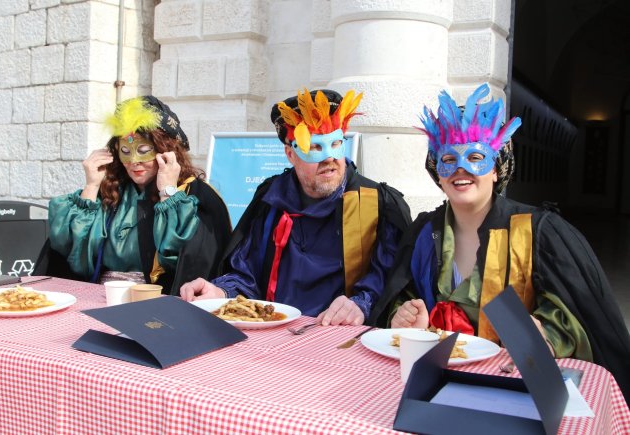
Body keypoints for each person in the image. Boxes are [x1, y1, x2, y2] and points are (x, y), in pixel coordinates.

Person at [369, 83, 630, 403]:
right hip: (436, 385)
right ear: (438, 173)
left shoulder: (538, 232)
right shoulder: (425, 233)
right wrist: (404, 316)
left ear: (496, 169)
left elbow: (577, 316)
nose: (461, 168)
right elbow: (402, 295)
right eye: (449, 158)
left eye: (476, 157)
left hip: (510, 388)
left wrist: (546, 333)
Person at [180, 89, 412, 325]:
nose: (329, 158)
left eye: (335, 143)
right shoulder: (271, 200)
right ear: (290, 154)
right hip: (274, 329)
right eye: (314, 147)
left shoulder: (376, 204)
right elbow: (247, 274)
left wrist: (362, 303)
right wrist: (221, 293)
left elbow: (392, 280)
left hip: (339, 333)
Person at [38, 96, 232, 295]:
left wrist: (168, 193)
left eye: (143, 150)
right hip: (102, 295)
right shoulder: (112, 192)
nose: (133, 161)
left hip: (155, 298)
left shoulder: (194, 195)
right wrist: (91, 186)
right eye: (125, 150)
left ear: (165, 151)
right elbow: (69, 251)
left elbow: (185, 259)